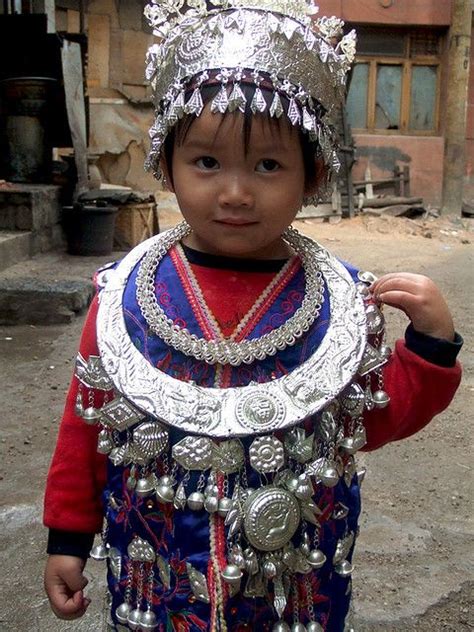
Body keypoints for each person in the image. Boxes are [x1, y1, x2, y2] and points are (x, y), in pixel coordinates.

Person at [43, 2, 462, 631]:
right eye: (206, 163)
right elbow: (87, 425)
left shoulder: (344, 303)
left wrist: (429, 348)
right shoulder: (124, 295)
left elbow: (366, 425)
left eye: (268, 165)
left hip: (295, 587)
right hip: (158, 576)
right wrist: (67, 536)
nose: (235, 192)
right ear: (166, 166)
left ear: (312, 173)